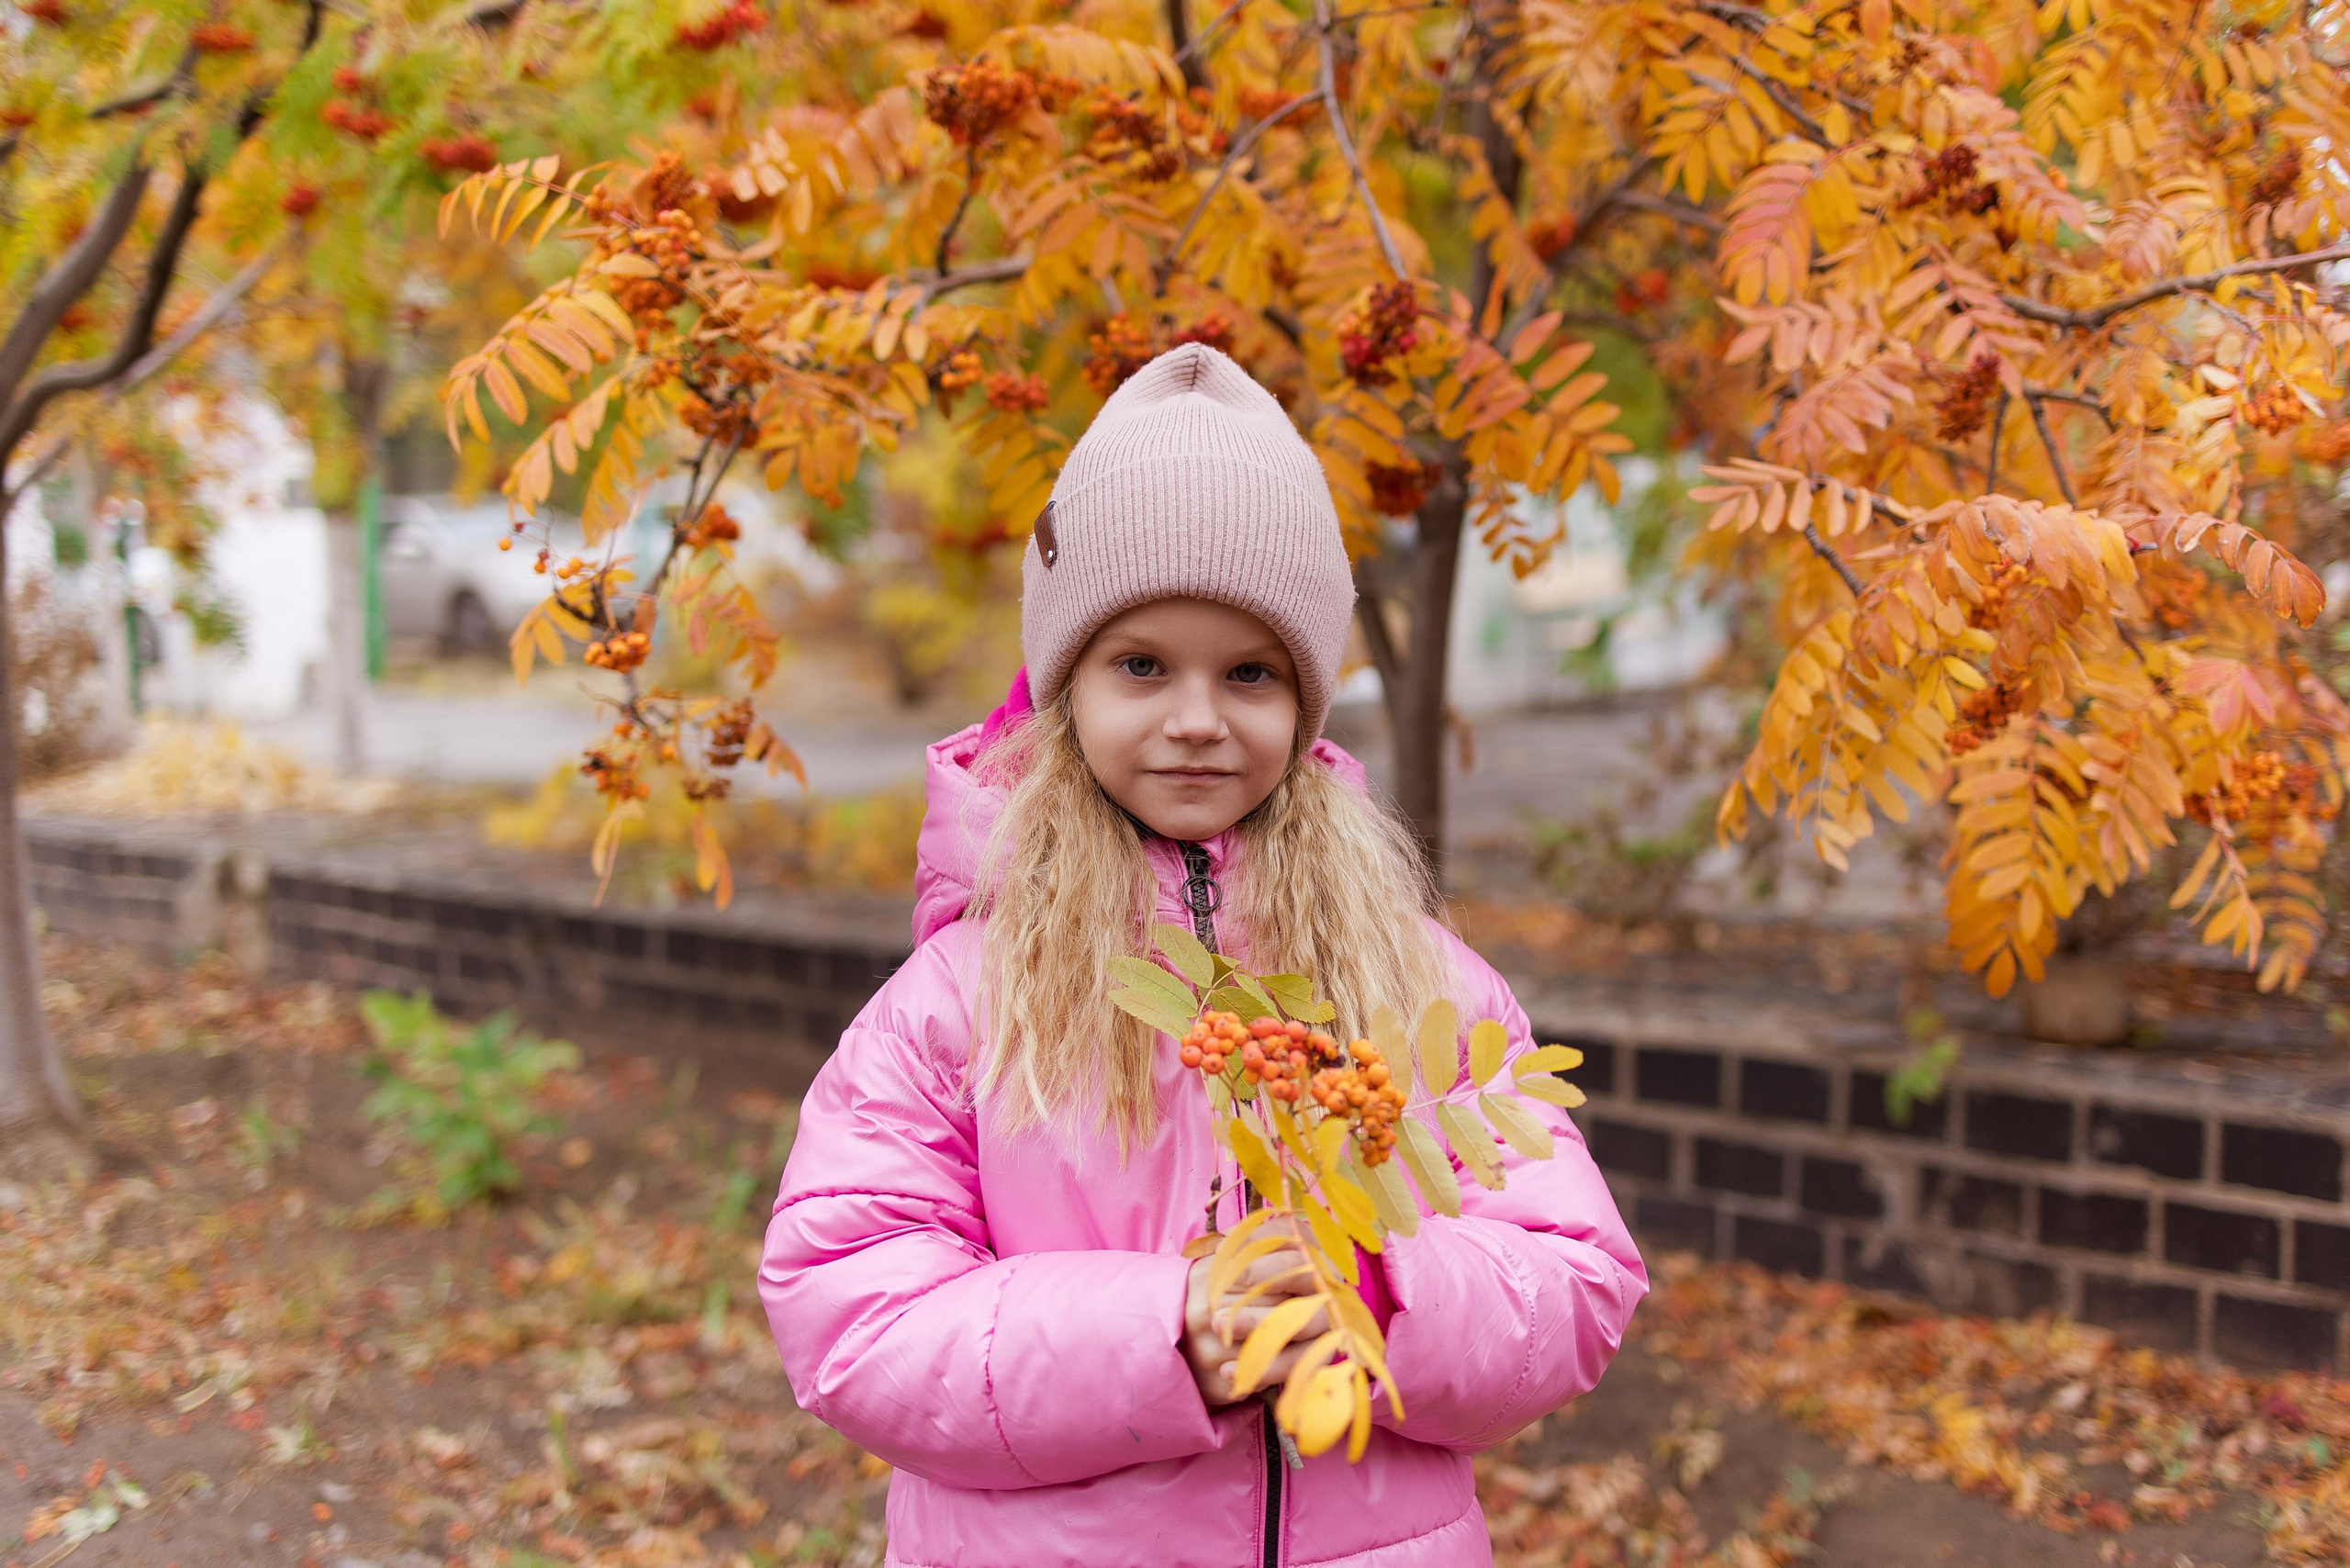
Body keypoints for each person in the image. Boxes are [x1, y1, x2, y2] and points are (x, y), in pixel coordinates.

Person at [759, 342, 1645, 1567]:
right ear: (1067, 689)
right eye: (1141, 665)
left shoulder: (1413, 978)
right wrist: (1165, 1335)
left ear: (1305, 699)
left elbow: (1577, 1275)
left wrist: (1381, 1295)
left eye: (1249, 673)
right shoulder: (964, 1000)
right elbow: (849, 1310)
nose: (1195, 717)